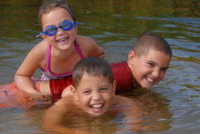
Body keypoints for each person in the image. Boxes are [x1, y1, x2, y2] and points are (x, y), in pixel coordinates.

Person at [37, 33, 172, 101]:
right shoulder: (120, 78)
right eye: (150, 64)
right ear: (132, 57)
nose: (155, 74)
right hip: (40, 95)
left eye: (163, 69)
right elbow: (68, 93)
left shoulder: (128, 77)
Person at [14, 0, 104, 98]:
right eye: (51, 30)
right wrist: (33, 93)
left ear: (75, 26)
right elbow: (21, 76)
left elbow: (100, 55)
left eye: (66, 25)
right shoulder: (41, 52)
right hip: (50, 90)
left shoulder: (85, 45)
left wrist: (89, 73)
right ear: (44, 36)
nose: (60, 32)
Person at [42, 57, 137, 134]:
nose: (96, 97)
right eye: (87, 91)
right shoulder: (64, 105)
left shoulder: (124, 103)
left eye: (103, 89)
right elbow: (49, 126)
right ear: (74, 93)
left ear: (113, 88)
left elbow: (136, 124)